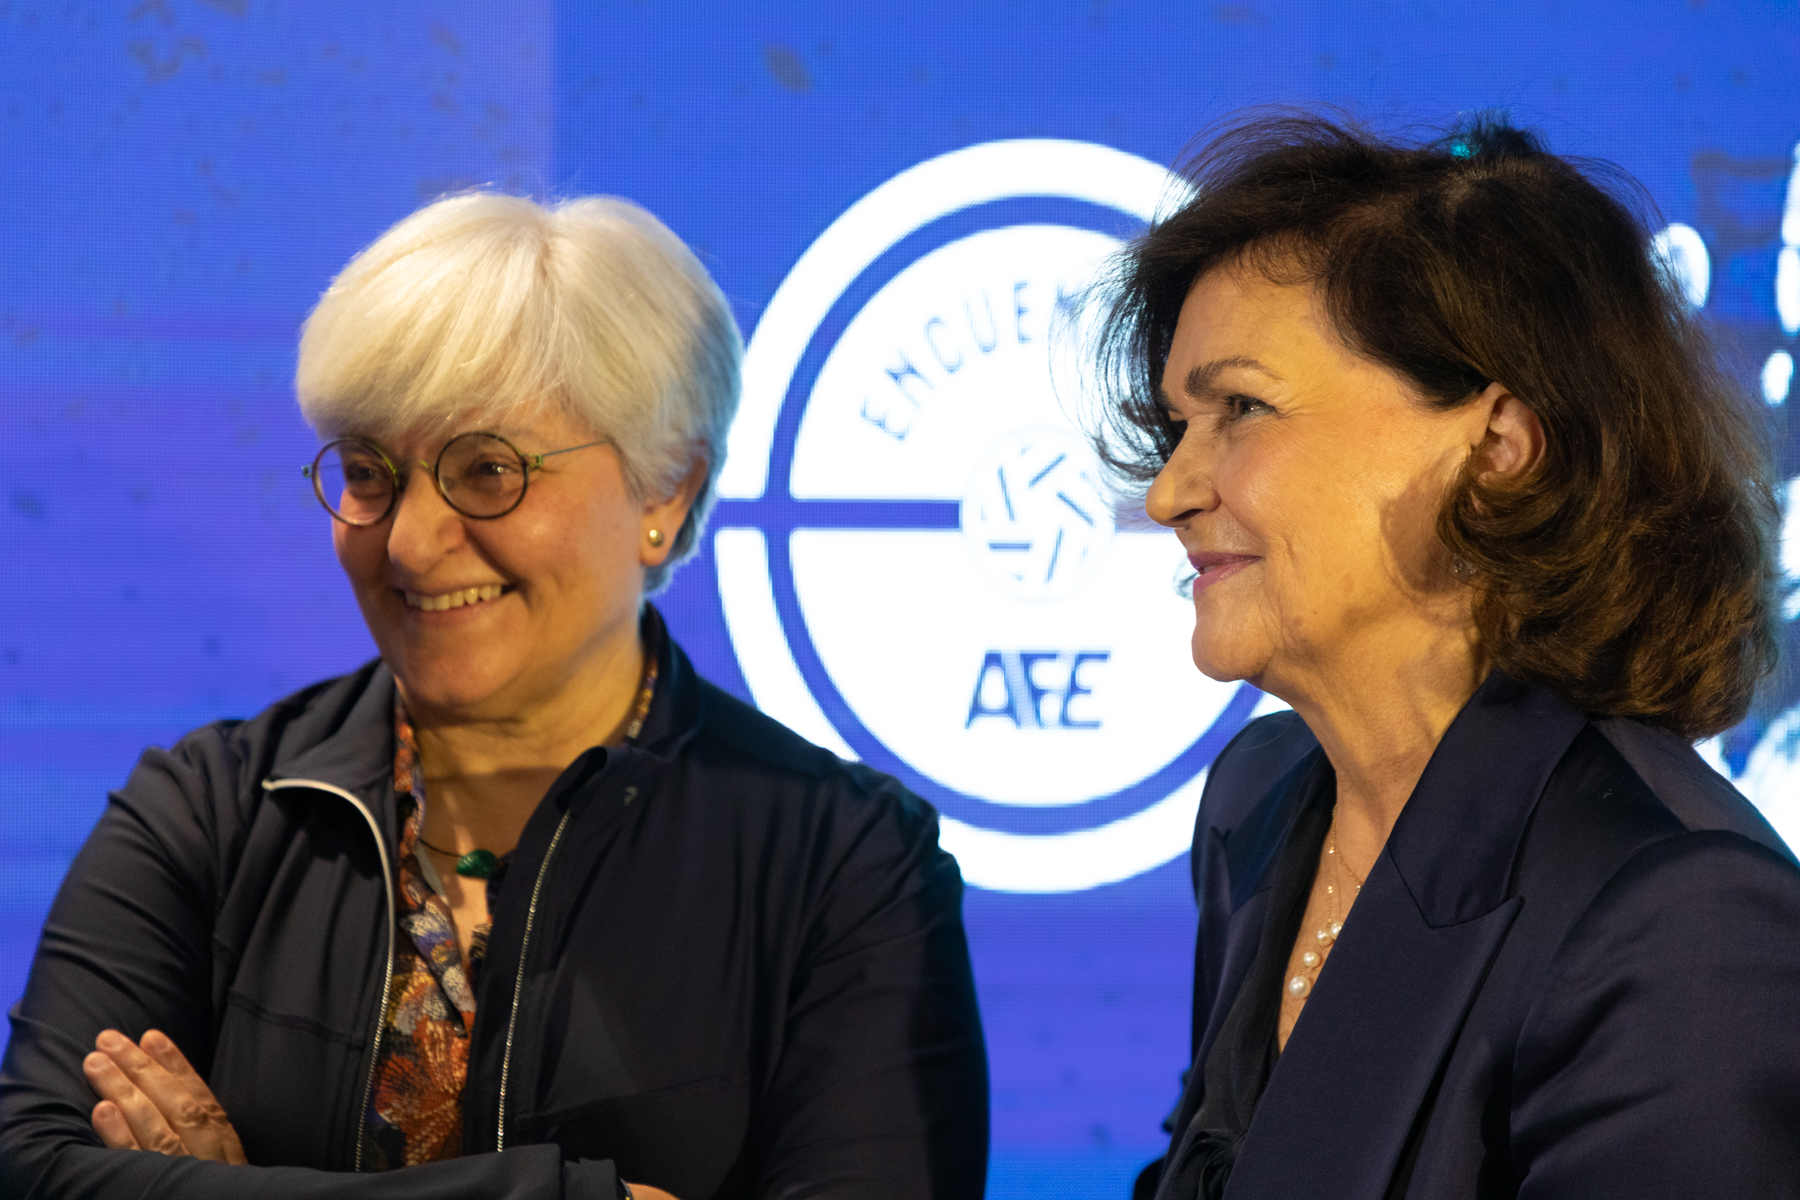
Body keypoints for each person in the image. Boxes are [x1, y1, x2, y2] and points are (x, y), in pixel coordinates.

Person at [0, 193, 988, 1200]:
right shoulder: (212, 810)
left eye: (487, 471)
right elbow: (34, 1167)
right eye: (369, 472)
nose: (410, 543)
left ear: (666, 487)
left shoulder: (845, 861)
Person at [1092, 113, 1800, 1199]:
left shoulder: (1682, 921)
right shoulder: (1259, 803)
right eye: (1178, 426)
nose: (1168, 494)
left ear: (1500, 449)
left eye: (1241, 408)